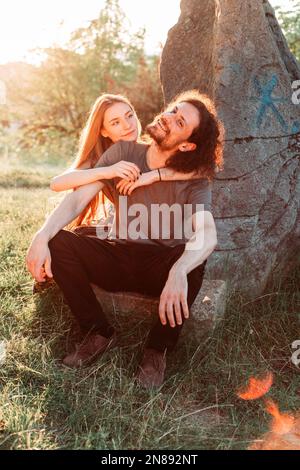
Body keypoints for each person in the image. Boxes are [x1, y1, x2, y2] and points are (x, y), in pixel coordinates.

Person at [26, 89, 224, 389]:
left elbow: (207, 232)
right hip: (116, 255)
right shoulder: (122, 154)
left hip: (158, 266)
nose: (167, 117)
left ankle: (157, 351)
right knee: (59, 241)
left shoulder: (195, 181)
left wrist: (179, 269)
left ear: (186, 145)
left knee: (194, 256)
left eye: (179, 121)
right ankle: (97, 332)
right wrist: (42, 235)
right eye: (173, 110)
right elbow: (76, 201)